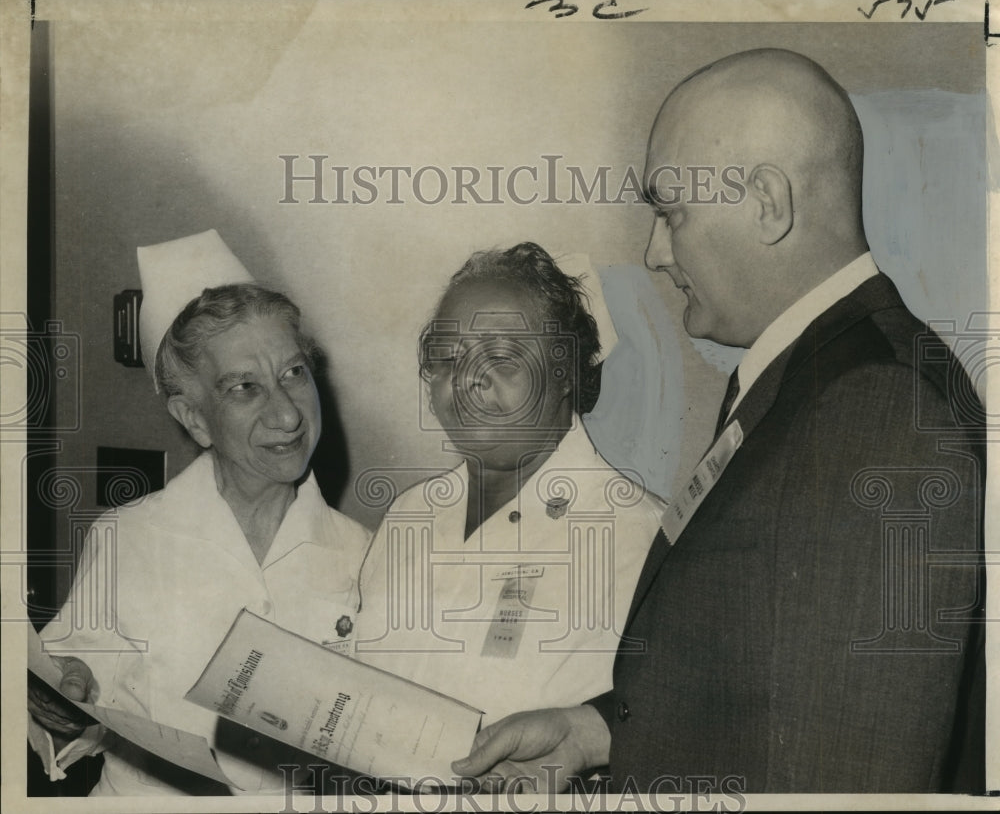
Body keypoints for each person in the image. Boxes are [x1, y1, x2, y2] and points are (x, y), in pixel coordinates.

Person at [452, 49, 985, 794]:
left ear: (767, 202)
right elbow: (776, 685)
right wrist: (591, 732)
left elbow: (851, 773)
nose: (654, 252)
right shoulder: (808, 377)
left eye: (672, 213)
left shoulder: (874, 403)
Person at [28, 230, 371, 795]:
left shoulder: (364, 553)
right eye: (245, 387)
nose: (288, 415)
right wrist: (61, 697)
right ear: (194, 418)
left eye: (293, 373)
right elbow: (74, 672)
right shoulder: (128, 536)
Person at [353, 242, 665, 730]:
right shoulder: (410, 515)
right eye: (447, 358)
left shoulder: (636, 537)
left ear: (565, 372)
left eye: (500, 356)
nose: (467, 380)